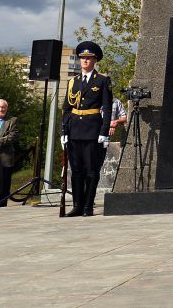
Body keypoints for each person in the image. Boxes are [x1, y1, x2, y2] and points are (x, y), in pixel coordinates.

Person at [60, 41, 113, 217]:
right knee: (76, 170)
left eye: (88, 58)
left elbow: (107, 107)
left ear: (95, 60)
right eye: (82, 58)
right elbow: (67, 108)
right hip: (74, 130)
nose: (85, 61)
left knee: (91, 170)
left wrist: (104, 132)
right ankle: (77, 204)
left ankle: (88, 206)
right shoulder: (72, 82)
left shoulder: (103, 80)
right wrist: (64, 131)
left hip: (92, 130)